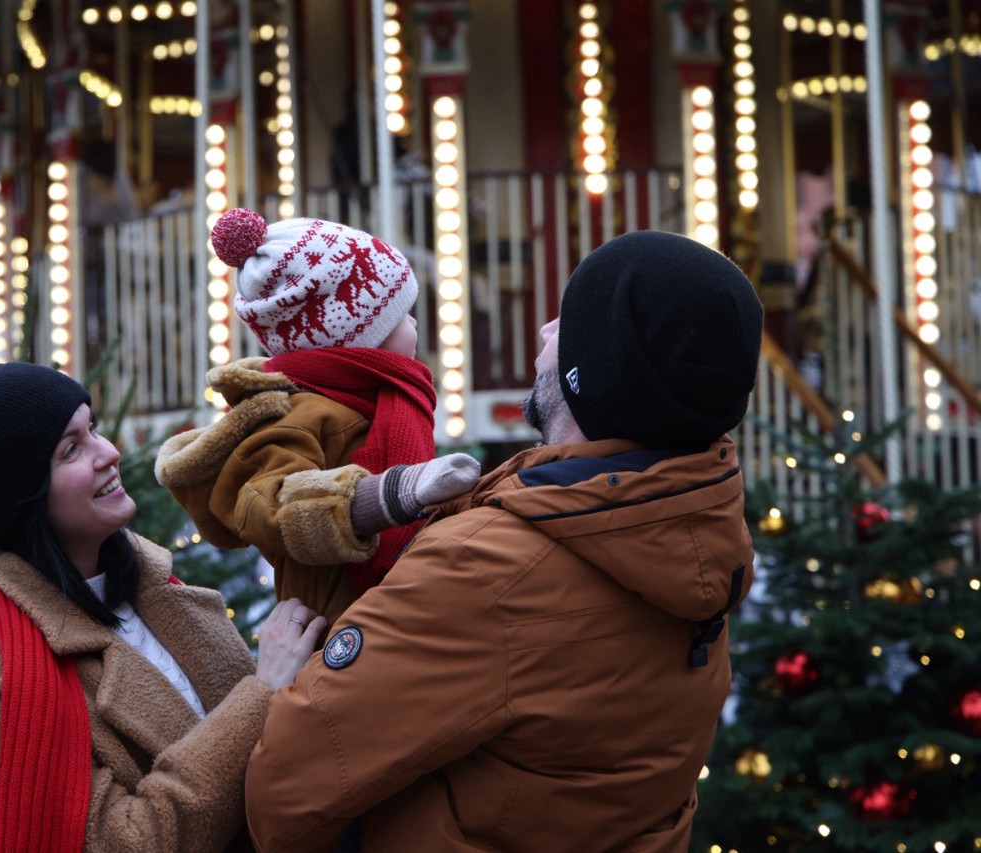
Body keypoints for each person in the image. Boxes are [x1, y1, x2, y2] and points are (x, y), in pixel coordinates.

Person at [245, 230, 764, 851]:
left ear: (591, 370)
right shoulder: (695, 524)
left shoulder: (486, 568)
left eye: (568, 321)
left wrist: (272, 687)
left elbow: (283, 797)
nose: (545, 330)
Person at [0, 360, 325, 852]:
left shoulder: (155, 591)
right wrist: (262, 692)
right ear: (21, 498)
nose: (110, 453)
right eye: (71, 450)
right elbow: (119, 842)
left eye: (91, 428)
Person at [156, 208, 479, 625]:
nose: (414, 322)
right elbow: (263, 502)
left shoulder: (372, 400)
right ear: (358, 337)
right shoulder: (300, 413)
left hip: (388, 615)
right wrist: (377, 499)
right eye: (400, 314)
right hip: (335, 629)